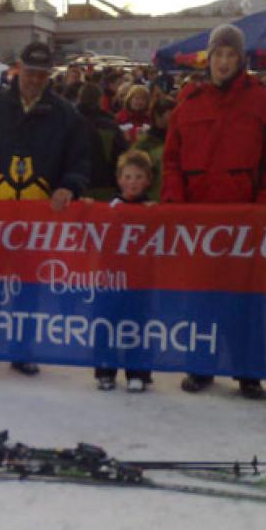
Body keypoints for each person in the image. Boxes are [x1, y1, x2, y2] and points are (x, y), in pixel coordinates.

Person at [0, 41, 90, 389]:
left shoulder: (66, 114)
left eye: (42, 75)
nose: (34, 80)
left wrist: (69, 185)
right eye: (30, 73)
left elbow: (81, 161)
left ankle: (22, 349)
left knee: (29, 289)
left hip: (38, 219)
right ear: (18, 69)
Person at [161, 23, 266, 399]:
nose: (224, 62)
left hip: (243, 216)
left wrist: (264, 205)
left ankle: (248, 370)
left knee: (245, 296)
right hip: (199, 217)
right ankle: (200, 366)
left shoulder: (261, 101)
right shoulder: (189, 100)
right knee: (202, 296)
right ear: (209, 57)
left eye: (231, 55)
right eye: (218, 54)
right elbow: (171, 160)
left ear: (241, 60)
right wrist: (175, 205)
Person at [95, 150, 155, 392]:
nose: (133, 182)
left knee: (138, 324)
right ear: (119, 179)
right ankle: (105, 369)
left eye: (138, 177)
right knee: (108, 322)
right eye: (128, 177)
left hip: (141, 280)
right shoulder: (109, 208)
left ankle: (138, 371)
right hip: (111, 278)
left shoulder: (152, 210)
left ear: (147, 180)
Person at [77, 82, 129, 201]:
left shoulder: (69, 123)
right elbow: (122, 157)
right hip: (106, 186)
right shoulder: (110, 126)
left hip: (75, 188)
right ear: (100, 100)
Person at [130, 96, 174, 202]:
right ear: (158, 116)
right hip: (151, 200)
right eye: (171, 114)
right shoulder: (143, 145)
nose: (175, 117)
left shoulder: (177, 140)